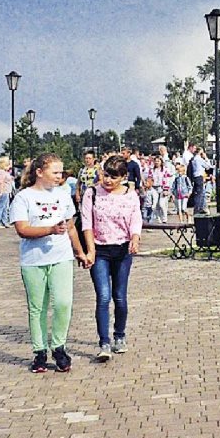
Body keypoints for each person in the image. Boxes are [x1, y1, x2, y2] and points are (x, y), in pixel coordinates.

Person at [10, 153, 88, 373]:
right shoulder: (24, 197)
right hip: (33, 260)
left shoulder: (63, 194)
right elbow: (22, 229)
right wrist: (50, 230)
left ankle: (59, 346)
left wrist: (80, 252)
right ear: (39, 172)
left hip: (61, 257)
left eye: (61, 172)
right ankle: (39, 351)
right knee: (37, 307)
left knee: (63, 302)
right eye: (54, 172)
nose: (59, 176)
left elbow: (71, 226)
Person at [81, 154, 142, 361]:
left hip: (122, 250)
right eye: (106, 175)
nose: (108, 180)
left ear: (124, 177)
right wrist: (90, 250)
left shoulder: (130, 195)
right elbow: (87, 224)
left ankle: (119, 335)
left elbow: (136, 219)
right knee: (103, 296)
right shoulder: (92, 193)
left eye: (113, 177)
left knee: (120, 297)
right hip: (100, 251)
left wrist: (135, 238)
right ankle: (104, 342)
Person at [0, 156, 15, 228]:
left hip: (7, 191)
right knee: (1, 207)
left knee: (5, 207)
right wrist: (1, 192)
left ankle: (5, 221)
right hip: (4, 191)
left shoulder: (4, 172)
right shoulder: (1, 172)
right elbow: (1, 182)